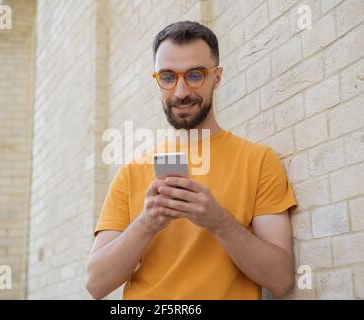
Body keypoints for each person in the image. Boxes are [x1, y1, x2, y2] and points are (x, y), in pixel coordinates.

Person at [86, 21, 298, 300]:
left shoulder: (258, 161)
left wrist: (218, 221)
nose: (181, 91)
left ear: (217, 77)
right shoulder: (132, 171)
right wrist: (147, 222)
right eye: (167, 77)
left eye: (195, 75)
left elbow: (281, 280)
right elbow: (95, 285)